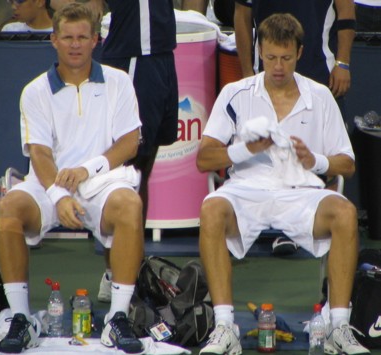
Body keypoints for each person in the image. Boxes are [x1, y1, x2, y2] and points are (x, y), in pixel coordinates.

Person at [197, 13, 370, 355]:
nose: (278, 66)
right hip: (246, 190)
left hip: (301, 192)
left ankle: (339, 327)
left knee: (346, 213)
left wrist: (315, 161)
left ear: (300, 54)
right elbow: (204, 159)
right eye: (272, 57)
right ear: (261, 52)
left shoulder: (320, 96)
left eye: (286, 58)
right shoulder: (235, 93)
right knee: (212, 208)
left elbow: (346, 164)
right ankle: (223, 326)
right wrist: (246, 149)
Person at [0, 3, 144, 354]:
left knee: (130, 205)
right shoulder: (34, 91)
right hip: (49, 186)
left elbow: (130, 142)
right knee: (11, 207)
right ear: (54, 40)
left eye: (82, 38)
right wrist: (59, 196)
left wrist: (88, 169)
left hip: (101, 184)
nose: (75, 45)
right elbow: (40, 153)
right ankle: (21, 319)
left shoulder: (119, 82)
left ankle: (117, 319)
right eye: (67, 38)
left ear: (96, 40)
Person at [80, 0, 179, 303]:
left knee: (144, 167)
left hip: (161, 55)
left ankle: (132, 266)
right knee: (125, 170)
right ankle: (114, 273)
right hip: (132, 56)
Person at [233, 0, 356, 103]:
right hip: (266, 73)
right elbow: (242, 15)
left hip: (320, 71)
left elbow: (346, 12)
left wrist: (342, 63)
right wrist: (247, 73)